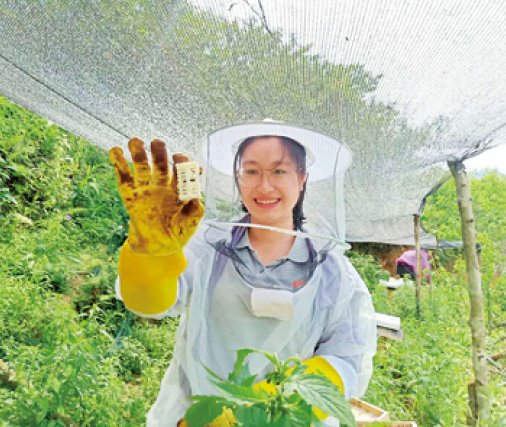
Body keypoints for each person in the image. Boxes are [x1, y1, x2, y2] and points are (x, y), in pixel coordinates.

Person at [109, 121, 377, 427]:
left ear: (301, 178)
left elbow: (345, 361)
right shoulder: (204, 247)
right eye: (251, 171)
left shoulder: (334, 272)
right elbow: (147, 304)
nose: (264, 186)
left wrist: (257, 411)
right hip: (194, 417)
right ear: (238, 178)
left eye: (279, 171)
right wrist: (150, 255)